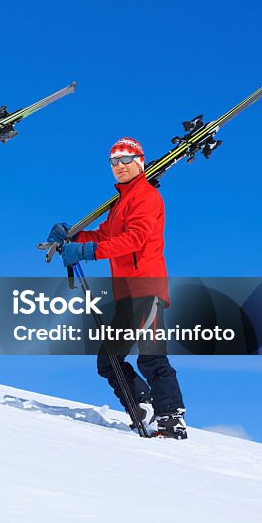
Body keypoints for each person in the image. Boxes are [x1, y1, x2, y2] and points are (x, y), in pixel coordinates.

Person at [48, 137, 187, 439]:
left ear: (140, 161)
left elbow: (135, 239)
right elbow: (105, 234)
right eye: (114, 161)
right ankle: (144, 404)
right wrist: (73, 238)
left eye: (126, 159)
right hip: (126, 292)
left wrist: (86, 253)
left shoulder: (146, 197)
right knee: (109, 359)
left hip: (147, 287)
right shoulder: (121, 203)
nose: (120, 166)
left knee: (151, 356)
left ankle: (171, 418)